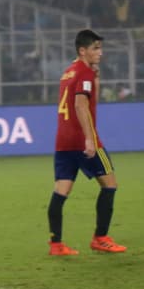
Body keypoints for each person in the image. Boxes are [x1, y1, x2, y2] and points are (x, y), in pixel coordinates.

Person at [48, 28, 126, 256]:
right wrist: (90, 140)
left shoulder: (69, 72)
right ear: (83, 51)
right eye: (95, 48)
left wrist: (96, 78)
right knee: (110, 185)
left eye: (100, 48)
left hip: (63, 141)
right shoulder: (84, 73)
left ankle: (56, 244)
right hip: (83, 140)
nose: (100, 52)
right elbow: (81, 105)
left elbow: (90, 101)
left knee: (61, 191)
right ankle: (101, 238)